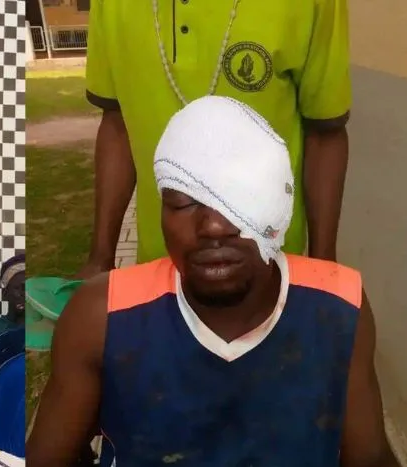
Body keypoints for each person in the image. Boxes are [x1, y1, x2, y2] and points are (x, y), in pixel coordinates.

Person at [26, 97, 407, 467]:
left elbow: (369, 466)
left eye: (239, 199)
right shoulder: (101, 317)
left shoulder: (339, 309)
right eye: (184, 201)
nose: (212, 225)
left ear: (279, 209)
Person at [78, 0, 351, 279]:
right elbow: (117, 123)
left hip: (271, 269)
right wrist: (101, 257)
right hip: (158, 271)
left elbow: (324, 132)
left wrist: (324, 268)